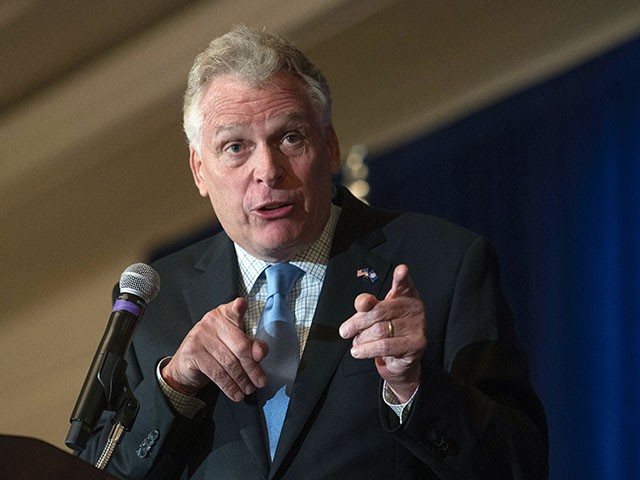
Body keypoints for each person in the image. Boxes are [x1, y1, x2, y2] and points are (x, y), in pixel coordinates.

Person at [80, 25, 548, 479]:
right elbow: (96, 468)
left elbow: (518, 466)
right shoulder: (156, 306)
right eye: (235, 147)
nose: (267, 170)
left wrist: (414, 387)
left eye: (290, 138)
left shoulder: (443, 264)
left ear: (329, 146)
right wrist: (175, 385)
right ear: (199, 170)